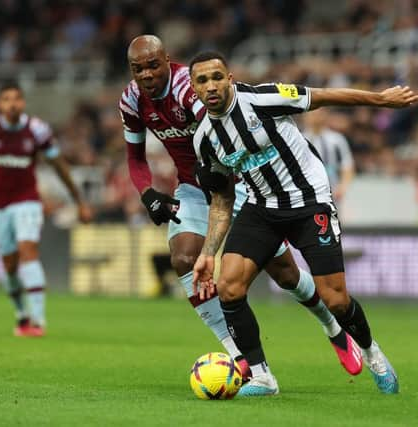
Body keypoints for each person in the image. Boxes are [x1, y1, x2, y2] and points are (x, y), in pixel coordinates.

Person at [119, 35, 362, 378]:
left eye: (152, 66)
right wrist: (147, 194)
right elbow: (134, 157)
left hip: (241, 185)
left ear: (167, 60)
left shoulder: (189, 89)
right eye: (137, 69)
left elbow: (223, 128)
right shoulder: (131, 100)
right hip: (192, 187)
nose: (145, 75)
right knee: (184, 258)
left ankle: (334, 329)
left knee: (287, 275)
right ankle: (240, 358)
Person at [189, 50, 418, 396]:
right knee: (229, 286)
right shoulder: (205, 140)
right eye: (202, 80)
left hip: (308, 201)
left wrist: (381, 100)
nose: (211, 85)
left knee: (336, 299)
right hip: (261, 207)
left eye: (217, 77)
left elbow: (323, 97)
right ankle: (262, 377)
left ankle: (372, 352)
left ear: (230, 78)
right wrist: (208, 252)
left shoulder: (264, 98)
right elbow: (223, 200)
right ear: (194, 88)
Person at [0, 82, 93, 337]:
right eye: (7, 99)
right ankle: (21, 315)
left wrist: (80, 201)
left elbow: (59, 166)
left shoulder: (37, 130)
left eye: (17, 99)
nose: (12, 103)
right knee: (9, 265)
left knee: (28, 251)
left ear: (23, 103)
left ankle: (38, 322)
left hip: (28, 200)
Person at [302, 109, 355, 202]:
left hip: (332, 191)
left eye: (319, 113)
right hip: (306, 192)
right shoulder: (299, 140)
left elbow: (347, 166)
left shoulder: (337, 140)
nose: (316, 116)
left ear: (326, 115)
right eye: (312, 113)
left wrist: (342, 187)